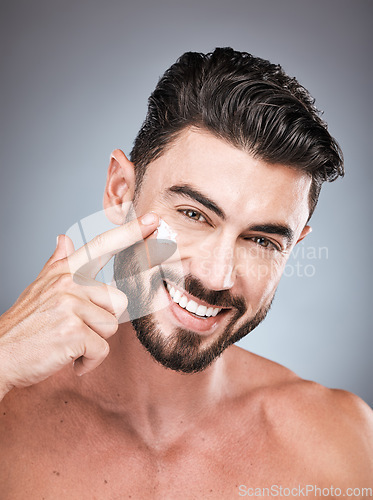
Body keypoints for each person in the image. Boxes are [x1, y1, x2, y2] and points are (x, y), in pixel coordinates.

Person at [0, 47, 372, 498]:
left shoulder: (344, 442)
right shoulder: (8, 405)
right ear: (121, 193)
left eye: (262, 240)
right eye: (194, 215)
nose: (217, 276)